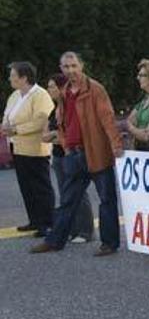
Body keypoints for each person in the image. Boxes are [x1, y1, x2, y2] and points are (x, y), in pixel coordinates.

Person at [31, 51, 124, 256]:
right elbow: (62, 121)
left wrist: (116, 145)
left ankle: (109, 243)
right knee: (67, 201)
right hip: (73, 154)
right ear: (61, 69)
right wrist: (65, 144)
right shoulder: (65, 91)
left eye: (74, 66)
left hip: (96, 152)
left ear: (82, 66)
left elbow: (107, 119)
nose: (70, 70)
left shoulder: (95, 89)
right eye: (66, 67)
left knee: (107, 200)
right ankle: (55, 241)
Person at [2, 61, 56, 237]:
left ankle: (47, 223)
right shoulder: (15, 96)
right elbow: (7, 116)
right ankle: (34, 220)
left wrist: (16, 129)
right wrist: (5, 126)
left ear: (24, 78)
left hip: (36, 149)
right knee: (26, 186)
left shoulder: (41, 95)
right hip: (17, 147)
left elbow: (41, 121)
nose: (10, 78)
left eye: (13, 75)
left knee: (40, 186)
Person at [43, 73, 93, 243]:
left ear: (61, 87)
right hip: (57, 155)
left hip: (70, 154)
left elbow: (70, 134)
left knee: (78, 192)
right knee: (65, 194)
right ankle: (72, 228)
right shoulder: (54, 109)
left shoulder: (70, 106)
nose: (49, 90)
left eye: (51, 86)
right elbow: (45, 136)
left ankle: (86, 231)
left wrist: (56, 135)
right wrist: (56, 134)